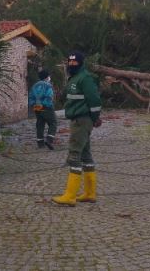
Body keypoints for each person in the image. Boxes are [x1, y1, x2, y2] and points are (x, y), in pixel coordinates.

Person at [53, 52, 102, 206]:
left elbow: (94, 100)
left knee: (74, 155)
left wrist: (95, 118)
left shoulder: (85, 78)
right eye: (69, 62)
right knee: (86, 155)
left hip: (82, 120)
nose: (71, 65)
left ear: (81, 63)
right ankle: (89, 193)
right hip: (78, 119)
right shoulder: (74, 78)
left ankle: (70, 196)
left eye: (74, 63)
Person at [28, 69, 56, 150]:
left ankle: (40, 143)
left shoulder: (34, 85)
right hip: (46, 107)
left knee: (40, 124)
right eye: (49, 76)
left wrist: (33, 105)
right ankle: (49, 140)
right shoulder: (48, 85)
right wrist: (48, 105)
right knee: (53, 122)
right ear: (47, 77)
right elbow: (49, 96)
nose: (49, 77)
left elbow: (30, 96)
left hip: (36, 107)